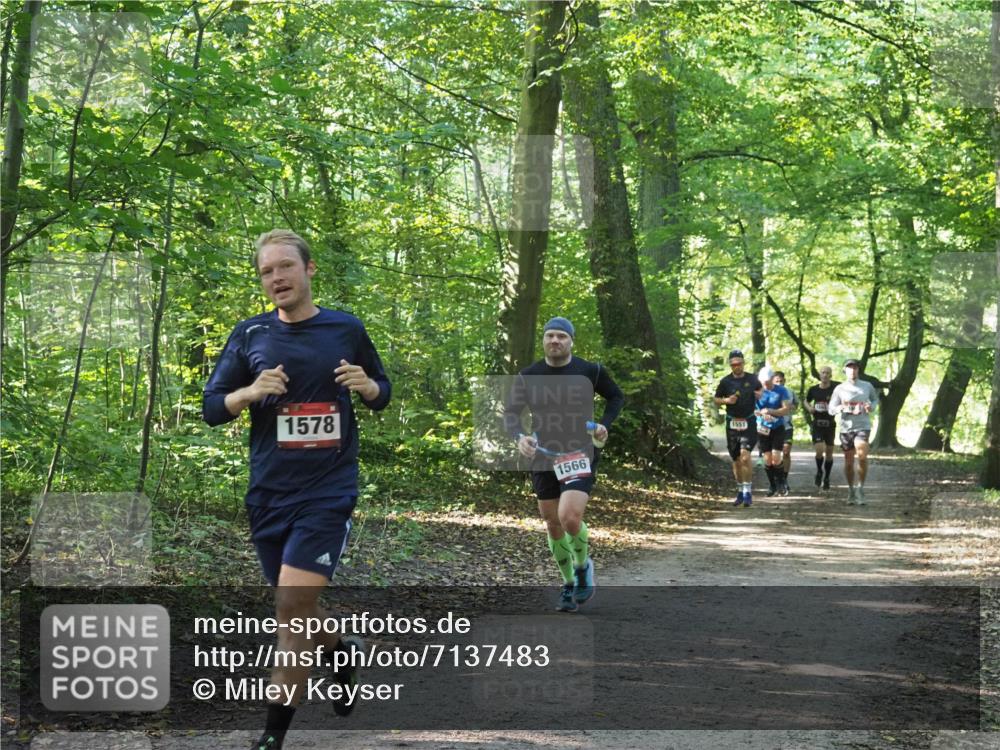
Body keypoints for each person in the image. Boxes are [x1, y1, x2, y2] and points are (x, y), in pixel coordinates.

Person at [202, 229, 391, 750]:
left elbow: (381, 390)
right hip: (268, 493)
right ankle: (340, 652)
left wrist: (369, 387)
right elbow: (212, 407)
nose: (276, 278)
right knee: (298, 610)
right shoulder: (249, 335)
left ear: (309, 271)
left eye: (285, 266)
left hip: (328, 491)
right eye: (266, 271)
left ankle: (271, 738)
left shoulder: (345, 329)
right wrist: (249, 392)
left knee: (289, 608)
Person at [504, 317, 624, 612]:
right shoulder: (528, 375)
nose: (555, 341)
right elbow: (511, 413)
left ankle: (583, 567)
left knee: (569, 516)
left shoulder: (590, 371)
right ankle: (569, 584)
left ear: (571, 341)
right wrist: (520, 437)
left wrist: (604, 425)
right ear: (543, 341)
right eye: (550, 336)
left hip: (578, 452)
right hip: (543, 454)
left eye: (561, 336)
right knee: (552, 522)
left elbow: (616, 396)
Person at [713, 350, 762, 507]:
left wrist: (759, 394)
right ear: (730, 365)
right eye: (733, 364)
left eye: (739, 364)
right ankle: (740, 490)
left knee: (745, 457)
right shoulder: (725, 382)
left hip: (749, 421)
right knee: (736, 460)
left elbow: (761, 390)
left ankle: (748, 492)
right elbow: (716, 399)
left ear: (743, 363)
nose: (736, 367)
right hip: (732, 424)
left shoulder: (752, 378)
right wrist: (727, 400)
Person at [828, 358, 879, 505]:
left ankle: (860, 488)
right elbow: (831, 409)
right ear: (845, 370)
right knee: (849, 462)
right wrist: (841, 408)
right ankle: (850, 489)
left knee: (862, 456)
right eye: (850, 368)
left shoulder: (867, 386)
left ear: (858, 370)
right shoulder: (839, 389)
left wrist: (871, 407)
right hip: (846, 428)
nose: (853, 370)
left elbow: (875, 400)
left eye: (855, 368)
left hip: (863, 426)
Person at [754, 367, 793, 497]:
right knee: (767, 459)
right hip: (762, 428)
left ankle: (781, 482)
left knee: (776, 457)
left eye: (767, 381)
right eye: (762, 381)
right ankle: (772, 485)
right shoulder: (756, 391)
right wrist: (760, 414)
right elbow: (751, 410)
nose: (765, 384)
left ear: (772, 379)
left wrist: (771, 411)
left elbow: (786, 409)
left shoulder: (781, 391)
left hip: (777, 427)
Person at [805, 366, 840, 490]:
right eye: (823, 373)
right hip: (817, 424)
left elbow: (844, 396)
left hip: (830, 424)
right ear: (819, 375)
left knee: (829, 453)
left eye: (827, 373)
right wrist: (809, 408)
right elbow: (806, 400)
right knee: (819, 450)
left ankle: (827, 477)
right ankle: (819, 471)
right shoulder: (814, 389)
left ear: (831, 375)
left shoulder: (836, 388)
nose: (825, 375)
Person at [772, 371, 796, 495]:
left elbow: (796, 406)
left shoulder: (790, 392)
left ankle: (784, 479)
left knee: (786, 452)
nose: (779, 383)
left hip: (787, 426)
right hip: (772, 427)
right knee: (773, 456)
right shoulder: (767, 393)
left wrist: (791, 407)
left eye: (781, 381)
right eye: (776, 381)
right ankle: (777, 480)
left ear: (784, 381)